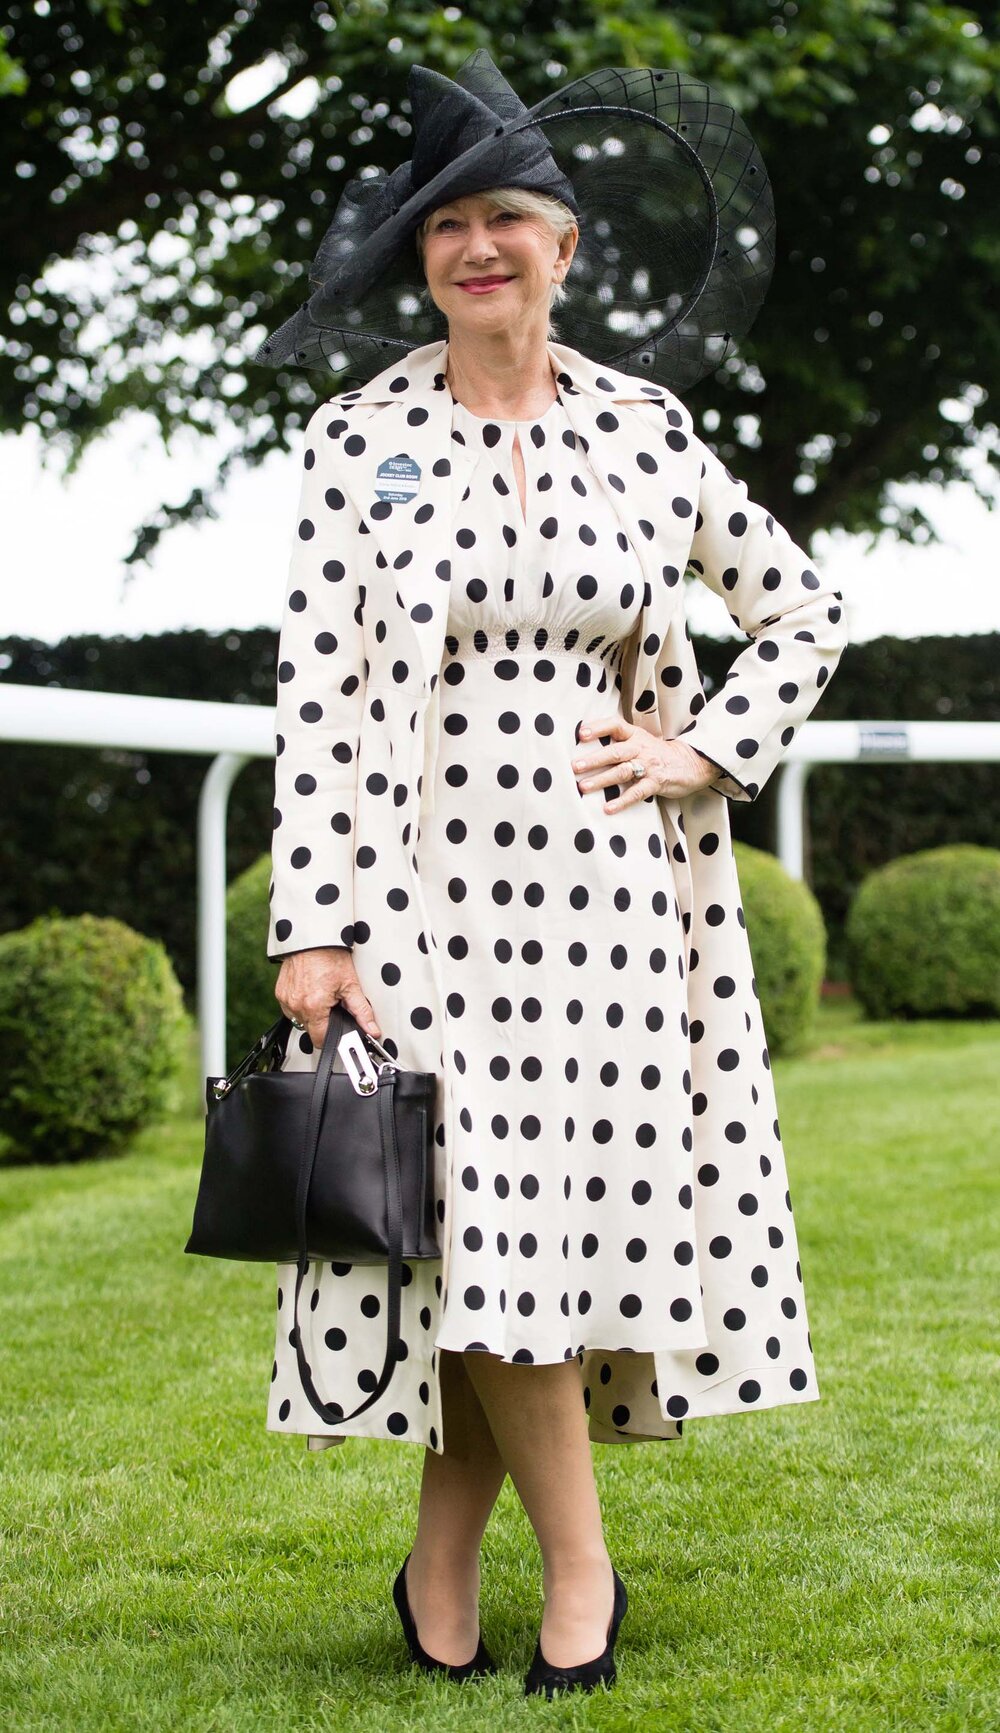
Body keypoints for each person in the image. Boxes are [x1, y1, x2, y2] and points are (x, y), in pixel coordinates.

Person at [254, 51, 849, 1699]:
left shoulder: (650, 432)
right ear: (421, 257)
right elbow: (317, 696)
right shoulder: (351, 442)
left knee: (539, 1247)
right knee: (483, 1228)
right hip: (429, 893)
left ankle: (440, 1560)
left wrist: (705, 748)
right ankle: (583, 1573)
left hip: (619, 916)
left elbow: (803, 611)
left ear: (567, 245)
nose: (479, 248)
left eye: (509, 216)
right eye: (447, 225)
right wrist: (316, 924)